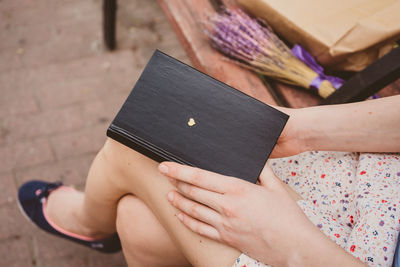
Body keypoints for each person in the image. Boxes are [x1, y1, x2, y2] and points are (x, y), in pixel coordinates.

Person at [18, 95, 400, 266]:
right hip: (378, 186)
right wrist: (297, 128)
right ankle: (98, 225)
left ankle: (89, 223)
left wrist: (294, 247)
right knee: (138, 224)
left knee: (140, 147)